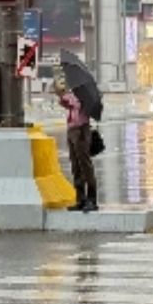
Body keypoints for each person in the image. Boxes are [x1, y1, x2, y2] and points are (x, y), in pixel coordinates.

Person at [56, 78, 97, 213]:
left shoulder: (85, 94)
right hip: (72, 130)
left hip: (81, 131)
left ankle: (91, 200)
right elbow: (67, 104)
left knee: (85, 166)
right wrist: (61, 95)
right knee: (76, 166)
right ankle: (80, 199)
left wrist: (65, 95)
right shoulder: (75, 92)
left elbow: (76, 104)